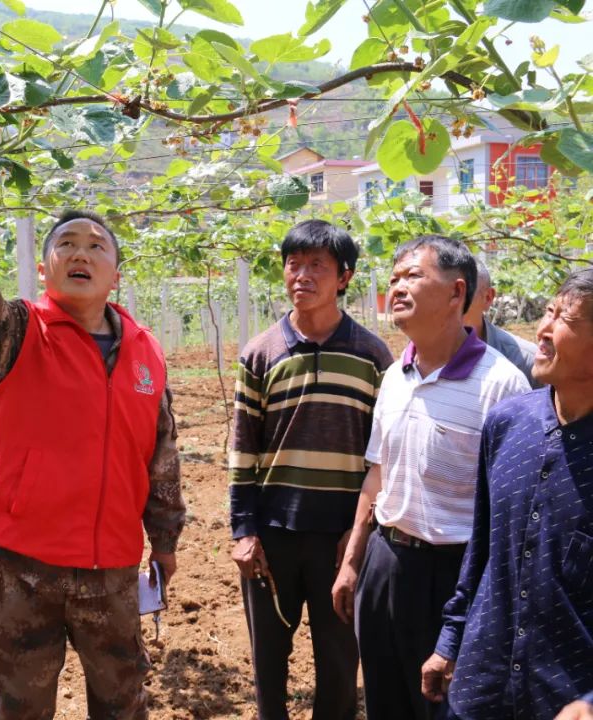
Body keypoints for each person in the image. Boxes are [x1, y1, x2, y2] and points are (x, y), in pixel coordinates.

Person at [0, 115, 186, 719]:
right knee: (22, 707)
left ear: (116, 274)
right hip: (24, 567)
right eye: (65, 244)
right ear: (44, 270)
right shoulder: (16, 332)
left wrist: (167, 538)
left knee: (122, 702)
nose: (81, 252)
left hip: (114, 568)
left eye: (97, 245)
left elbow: (161, 452)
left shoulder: (145, 350)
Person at [331, 235, 529, 720]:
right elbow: (378, 473)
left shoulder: (503, 385)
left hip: (453, 576)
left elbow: (511, 515)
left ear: (457, 292)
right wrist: (354, 559)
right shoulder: (395, 375)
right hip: (386, 561)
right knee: (386, 700)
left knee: (443, 707)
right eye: (394, 278)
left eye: (413, 276)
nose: (397, 287)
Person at [229, 220, 393, 720]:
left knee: (341, 663)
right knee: (268, 663)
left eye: (317, 265)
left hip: (340, 539)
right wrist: (243, 530)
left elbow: (382, 454)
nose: (302, 275)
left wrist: (361, 534)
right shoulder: (261, 351)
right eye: (293, 264)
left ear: (343, 277)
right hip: (273, 534)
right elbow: (243, 449)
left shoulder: (372, 355)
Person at [421, 269, 593, 720]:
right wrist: (450, 641)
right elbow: (482, 552)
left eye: (565, 318)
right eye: (548, 312)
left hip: (568, 696)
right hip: (483, 683)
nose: (543, 328)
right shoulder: (507, 423)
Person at [462, 258, 540, 387]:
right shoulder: (421, 356)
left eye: (462, 292)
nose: (451, 301)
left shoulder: (525, 361)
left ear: (488, 298)